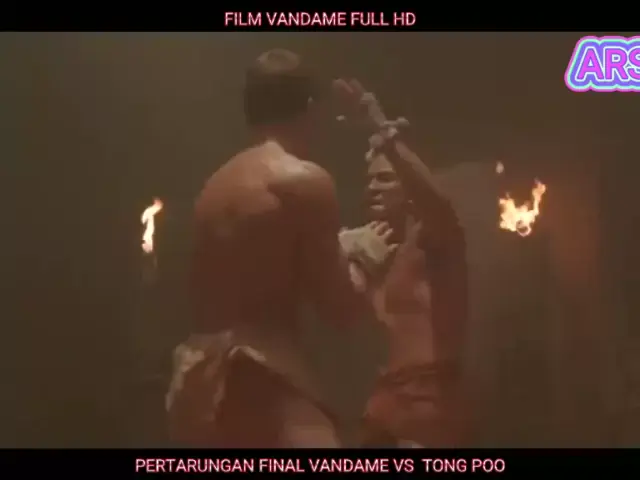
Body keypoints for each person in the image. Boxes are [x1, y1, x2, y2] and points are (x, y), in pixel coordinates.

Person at [164, 50, 396, 447]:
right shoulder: (301, 180)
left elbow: (261, 266)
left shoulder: (215, 186)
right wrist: (366, 254)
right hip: (257, 372)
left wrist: (338, 247)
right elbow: (339, 309)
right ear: (311, 108)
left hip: (198, 377)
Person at [334, 79, 469, 447]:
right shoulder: (369, 244)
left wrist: (382, 129)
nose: (372, 188)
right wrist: (349, 257)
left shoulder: (436, 237)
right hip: (383, 401)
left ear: (409, 189)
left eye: (384, 180)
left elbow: (435, 198)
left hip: (430, 398)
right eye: (369, 181)